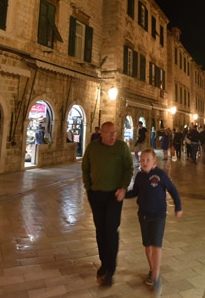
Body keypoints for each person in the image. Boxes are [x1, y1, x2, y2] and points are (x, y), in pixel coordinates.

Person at [81, 121, 134, 286]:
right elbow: (85, 168)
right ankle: (104, 262)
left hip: (114, 196)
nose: (113, 136)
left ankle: (110, 268)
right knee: (100, 230)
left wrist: (124, 188)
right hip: (96, 195)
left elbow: (129, 168)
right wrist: (89, 189)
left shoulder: (122, 147)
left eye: (114, 132)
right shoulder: (92, 148)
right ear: (101, 133)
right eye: (109, 133)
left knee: (111, 230)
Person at [125, 149, 182, 293]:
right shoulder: (139, 176)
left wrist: (178, 207)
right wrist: (123, 194)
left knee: (157, 245)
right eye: (142, 159)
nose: (144, 162)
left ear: (154, 161)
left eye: (148, 160)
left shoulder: (161, 175)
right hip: (143, 215)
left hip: (158, 215)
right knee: (148, 245)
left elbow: (173, 190)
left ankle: (156, 276)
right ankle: (152, 269)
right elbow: (135, 191)